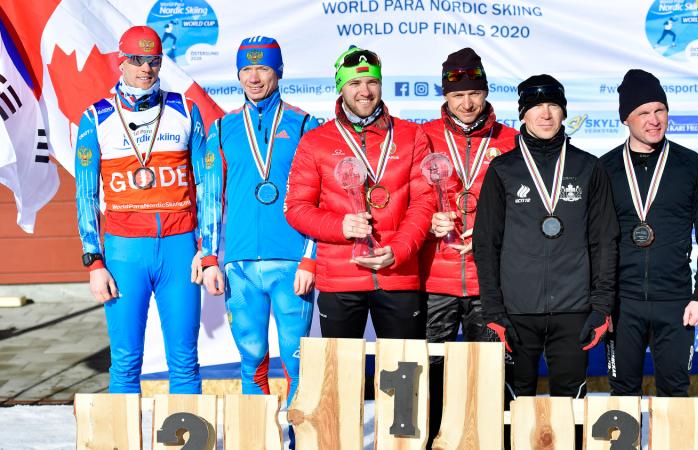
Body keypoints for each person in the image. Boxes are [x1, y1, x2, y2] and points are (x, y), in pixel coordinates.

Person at [75, 25, 204, 393]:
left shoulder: (185, 110)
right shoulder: (97, 117)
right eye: (136, 60)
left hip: (179, 248)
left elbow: (206, 187)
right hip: (124, 251)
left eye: (153, 61)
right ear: (121, 62)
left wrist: (207, 250)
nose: (145, 69)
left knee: (184, 360)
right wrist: (94, 261)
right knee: (126, 361)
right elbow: (85, 195)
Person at [473, 74, 619, 398]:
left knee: (570, 405)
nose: (546, 114)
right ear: (522, 114)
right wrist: (494, 310)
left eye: (553, 105)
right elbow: (485, 244)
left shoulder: (588, 168)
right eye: (536, 106)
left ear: (564, 112)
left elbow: (605, 242)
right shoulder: (503, 170)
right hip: (516, 312)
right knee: (513, 403)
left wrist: (600, 306)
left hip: (573, 310)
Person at [284, 46, 435, 339]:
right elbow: (296, 207)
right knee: (342, 378)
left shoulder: (410, 136)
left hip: (398, 274)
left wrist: (400, 250)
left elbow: (423, 203)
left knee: (402, 380)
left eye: (372, 82)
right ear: (341, 87)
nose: (364, 91)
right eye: (354, 83)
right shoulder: (315, 141)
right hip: (341, 279)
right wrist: (339, 225)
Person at [198, 36, 318, 404]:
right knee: (251, 361)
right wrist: (208, 257)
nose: (254, 77)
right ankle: (259, 439)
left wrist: (311, 256)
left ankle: (301, 440)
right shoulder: (221, 129)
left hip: (292, 262)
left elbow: (321, 195)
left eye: (263, 68)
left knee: (298, 363)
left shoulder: (304, 125)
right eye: (246, 69)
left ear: (278, 71)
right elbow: (209, 198)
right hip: (240, 265)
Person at [601, 69, 698, 396]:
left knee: (675, 391)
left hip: (676, 302)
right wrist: (600, 303)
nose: (654, 120)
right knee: (623, 391)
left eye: (660, 110)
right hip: (622, 303)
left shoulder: (692, 166)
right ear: (626, 118)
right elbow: (592, 241)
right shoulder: (605, 169)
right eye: (643, 113)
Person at [419, 47, 518, 445]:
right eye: (458, 94)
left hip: (489, 280)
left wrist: (487, 234)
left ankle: (489, 439)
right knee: (434, 373)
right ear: (445, 95)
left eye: (474, 92)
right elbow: (405, 200)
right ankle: (436, 439)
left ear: (486, 91)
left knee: (490, 373)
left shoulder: (511, 140)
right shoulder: (421, 136)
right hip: (436, 277)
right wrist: (427, 222)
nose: (467, 102)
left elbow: (525, 205)